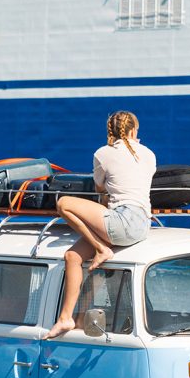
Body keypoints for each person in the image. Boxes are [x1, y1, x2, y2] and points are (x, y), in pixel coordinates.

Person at [44, 111, 156, 339]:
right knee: (73, 257)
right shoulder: (149, 154)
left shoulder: (103, 153)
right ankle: (67, 318)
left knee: (64, 203)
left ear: (110, 131)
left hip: (123, 221)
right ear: (134, 130)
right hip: (142, 223)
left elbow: (99, 189)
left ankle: (101, 248)